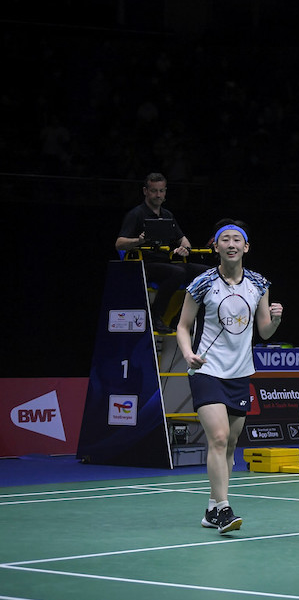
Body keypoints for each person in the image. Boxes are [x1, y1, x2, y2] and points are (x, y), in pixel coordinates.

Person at [175, 219, 283, 533]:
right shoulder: (202, 283)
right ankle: (223, 509)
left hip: (239, 373)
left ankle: (211, 507)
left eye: (237, 240)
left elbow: (263, 331)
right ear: (216, 246)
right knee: (219, 438)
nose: (232, 244)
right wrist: (186, 353)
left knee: (231, 444)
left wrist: (275, 321)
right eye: (226, 240)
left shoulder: (259, 284)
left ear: (246, 247)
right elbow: (182, 326)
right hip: (206, 368)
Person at [115, 172, 207, 333]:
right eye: (154, 191)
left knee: (206, 273)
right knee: (177, 272)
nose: (158, 195)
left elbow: (183, 239)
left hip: (166, 263)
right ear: (145, 191)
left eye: (161, 191)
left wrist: (184, 248)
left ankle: (180, 317)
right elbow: (119, 244)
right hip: (145, 265)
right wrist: (139, 240)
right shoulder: (136, 214)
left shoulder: (167, 215)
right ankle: (156, 316)